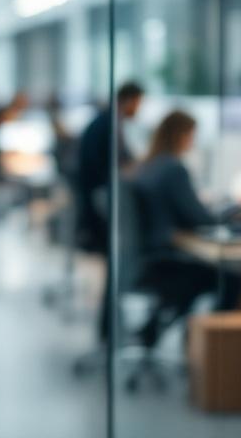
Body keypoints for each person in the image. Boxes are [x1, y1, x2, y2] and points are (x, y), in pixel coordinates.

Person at [132, 110, 241, 346]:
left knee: (200, 277)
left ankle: (153, 330)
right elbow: (198, 218)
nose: (193, 141)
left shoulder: (149, 164)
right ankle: (210, 347)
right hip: (163, 261)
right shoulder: (173, 168)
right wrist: (234, 211)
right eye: (191, 135)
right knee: (230, 277)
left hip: (145, 259)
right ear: (181, 135)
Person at [75, 81, 143, 342]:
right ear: (130, 100)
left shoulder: (105, 122)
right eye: (138, 103)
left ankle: (110, 327)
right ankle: (111, 328)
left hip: (98, 205)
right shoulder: (107, 126)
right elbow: (118, 168)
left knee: (113, 270)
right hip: (102, 209)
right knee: (116, 266)